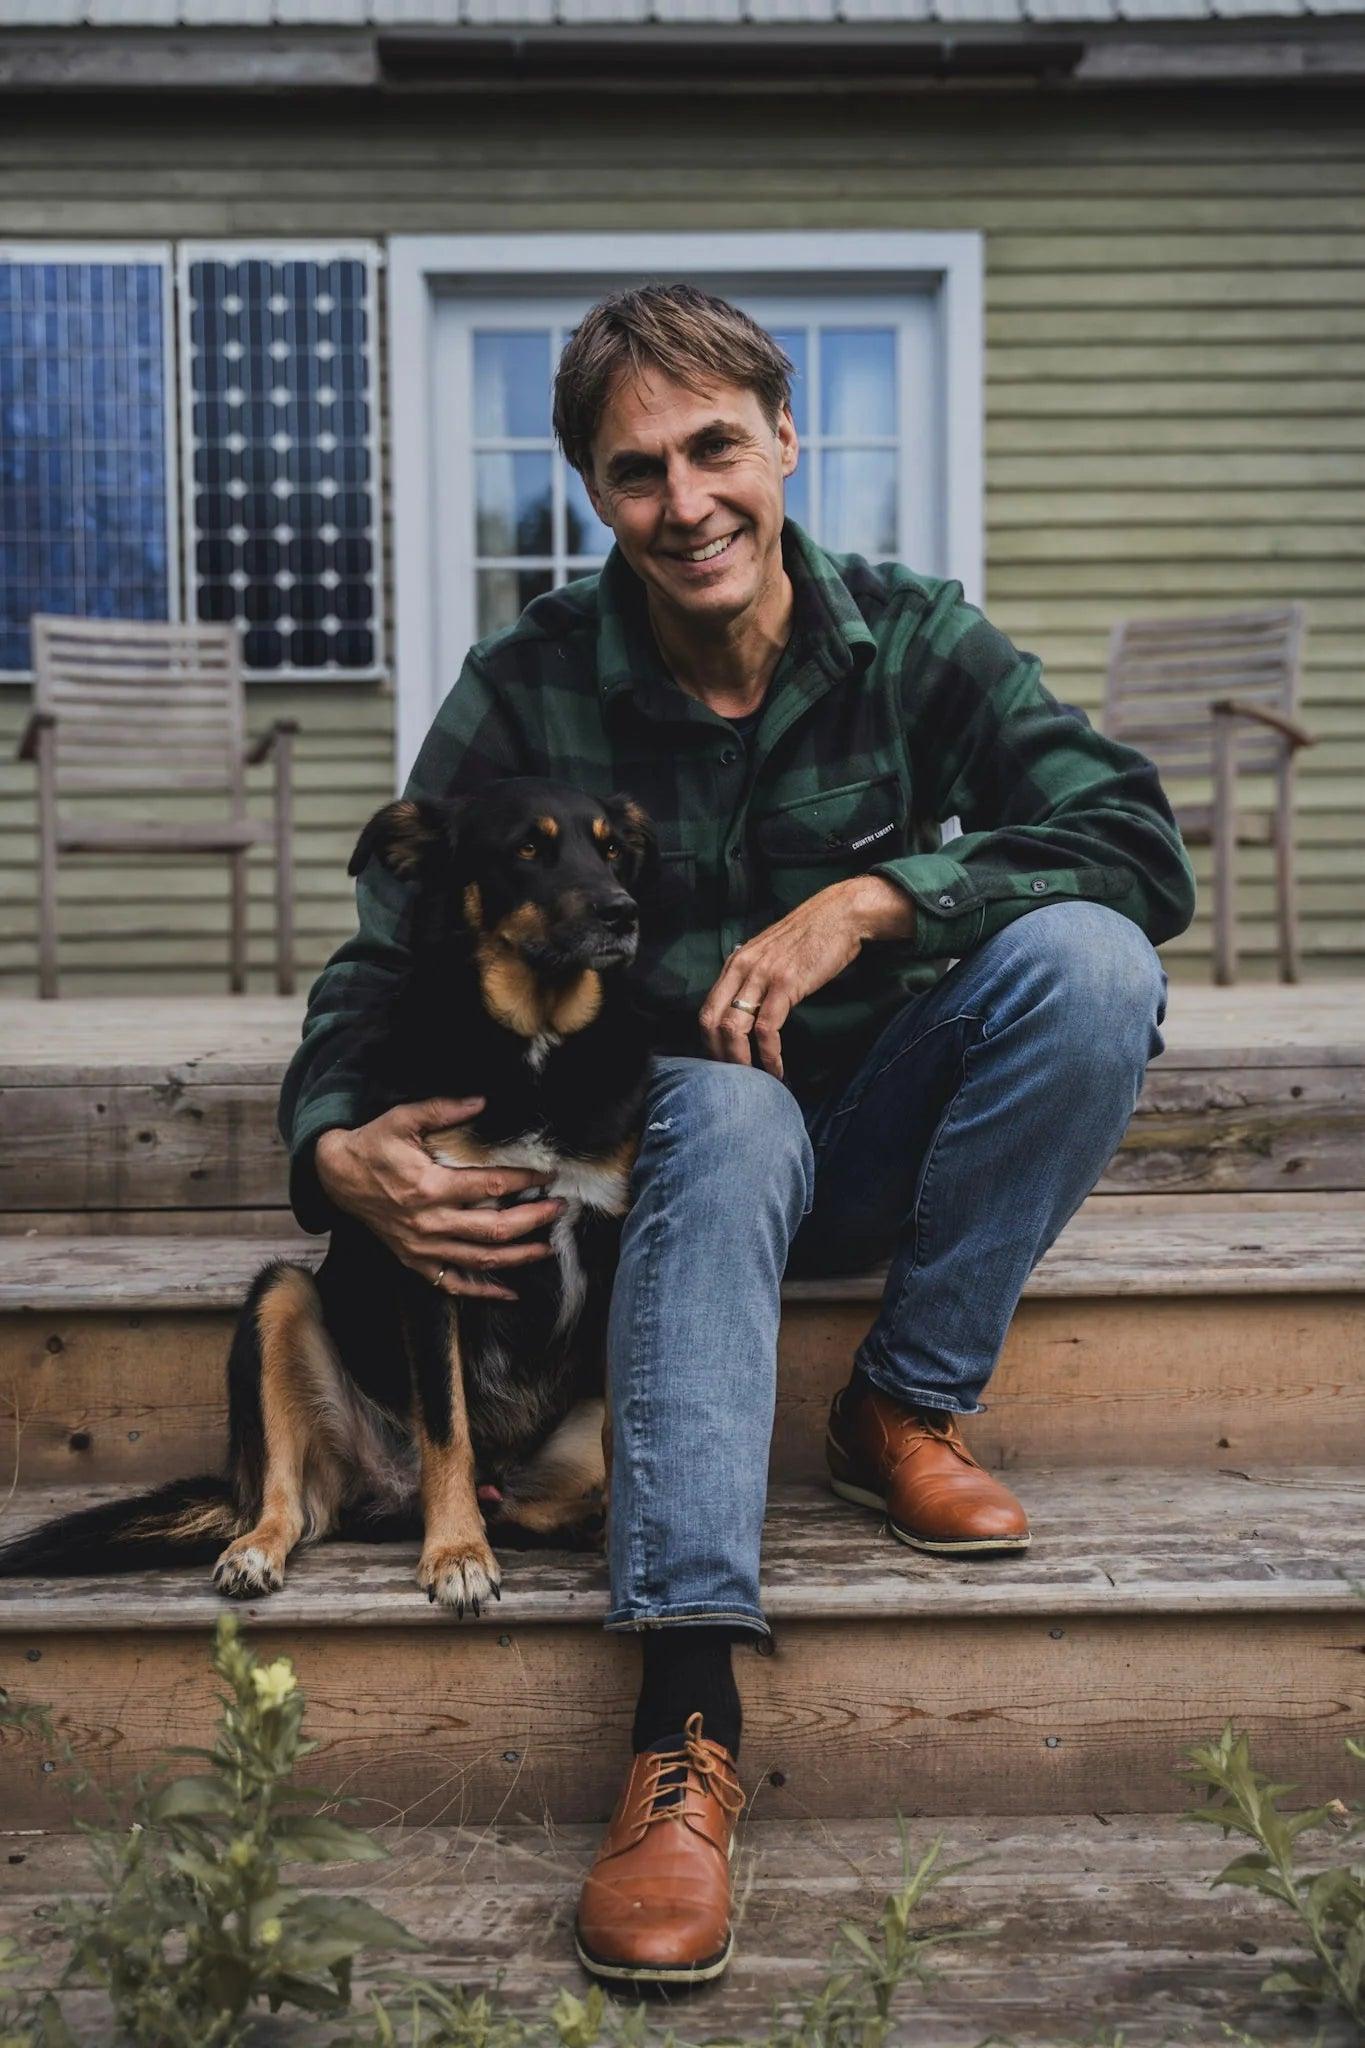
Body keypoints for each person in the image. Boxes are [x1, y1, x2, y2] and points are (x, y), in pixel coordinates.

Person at [279, 284, 1195, 1989]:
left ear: (785, 438)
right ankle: (685, 1718)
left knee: (1091, 960)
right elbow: (383, 952)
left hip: (888, 1142)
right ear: (592, 494)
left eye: (715, 448)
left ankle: (900, 1401)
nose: (685, 501)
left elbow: (1135, 842)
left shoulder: (914, 641)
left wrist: (877, 897)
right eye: (636, 472)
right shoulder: (528, 679)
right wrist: (333, 1142)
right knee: (714, 1095)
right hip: (676, 1164)